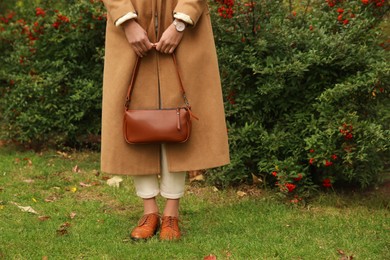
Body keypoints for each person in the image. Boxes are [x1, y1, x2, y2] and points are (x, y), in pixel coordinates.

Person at [101, 0, 229, 241]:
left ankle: (171, 213)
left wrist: (180, 23)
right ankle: (149, 212)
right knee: (136, 119)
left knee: (178, 118)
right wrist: (127, 21)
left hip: (185, 26)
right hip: (131, 24)